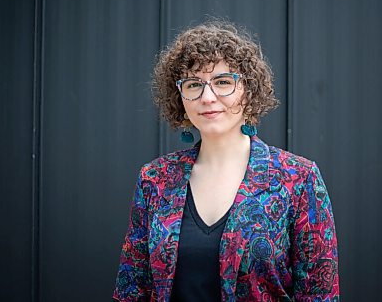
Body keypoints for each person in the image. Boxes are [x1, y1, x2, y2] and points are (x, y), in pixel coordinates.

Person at [113, 21, 339, 301]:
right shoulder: (155, 179)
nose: (207, 97)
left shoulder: (297, 179)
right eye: (194, 84)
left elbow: (320, 293)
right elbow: (131, 289)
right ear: (180, 97)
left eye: (222, 81)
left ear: (249, 89)